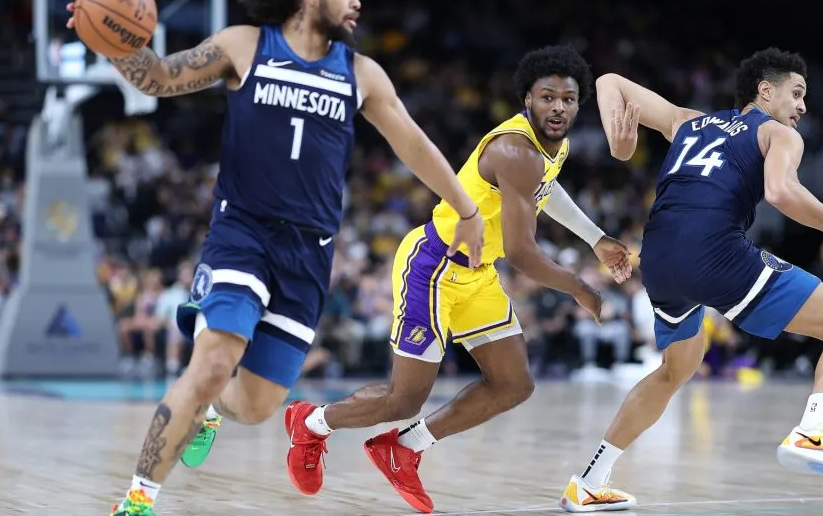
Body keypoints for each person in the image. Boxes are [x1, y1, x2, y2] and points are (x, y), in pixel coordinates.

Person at [65, 0, 486, 514]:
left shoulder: (362, 74)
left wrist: (466, 210)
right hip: (242, 231)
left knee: (257, 406)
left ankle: (212, 411)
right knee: (211, 362)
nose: (357, 0)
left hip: (308, 252)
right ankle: (138, 500)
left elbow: (412, 142)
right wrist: (117, 42)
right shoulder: (246, 44)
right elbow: (159, 78)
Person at [178, 44, 630, 514]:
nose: (558, 107)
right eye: (548, 97)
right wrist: (579, 286)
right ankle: (310, 424)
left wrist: (596, 238)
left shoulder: (553, 147)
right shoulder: (514, 150)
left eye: (568, 99)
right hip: (433, 265)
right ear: (527, 100)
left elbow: (546, 188)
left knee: (514, 384)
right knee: (404, 397)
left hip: (477, 274)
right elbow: (520, 251)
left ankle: (404, 448)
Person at [556, 48, 823, 512]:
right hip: (713, 252)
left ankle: (589, 481)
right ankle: (814, 431)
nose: (803, 107)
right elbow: (781, 192)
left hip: (659, 259)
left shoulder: (687, 121)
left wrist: (618, 142)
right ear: (766, 92)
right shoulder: (778, 134)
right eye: (797, 93)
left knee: (675, 369)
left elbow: (609, 81)